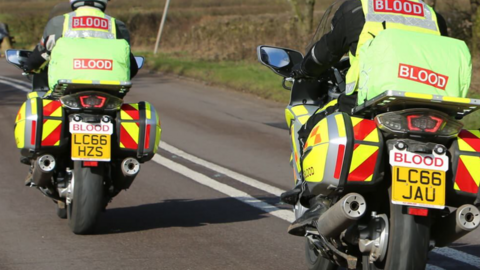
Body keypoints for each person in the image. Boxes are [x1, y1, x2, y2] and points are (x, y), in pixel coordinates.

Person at [284, 0, 449, 236]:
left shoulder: (358, 8)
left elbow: (325, 53)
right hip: (431, 107)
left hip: (369, 102)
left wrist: (304, 69)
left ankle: (314, 199)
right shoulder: (431, 15)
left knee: (309, 128)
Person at [24, 0, 138, 79]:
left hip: (65, 85)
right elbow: (128, 60)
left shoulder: (59, 23)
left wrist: (28, 66)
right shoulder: (117, 25)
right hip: (111, 89)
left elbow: (42, 53)